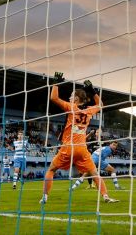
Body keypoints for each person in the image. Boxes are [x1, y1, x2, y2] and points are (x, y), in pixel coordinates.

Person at [40, 74, 118, 204]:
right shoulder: (88, 111)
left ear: (76, 98)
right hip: (82, 149)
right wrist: (92, 90)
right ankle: (106, 197)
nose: (69, 98)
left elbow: (54, 97)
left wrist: (55, 83)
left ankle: (45, 197)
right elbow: (100, 104)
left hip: (68, 148)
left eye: (71, 96)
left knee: (51, 170)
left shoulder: (72, 108)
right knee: (94, 174)